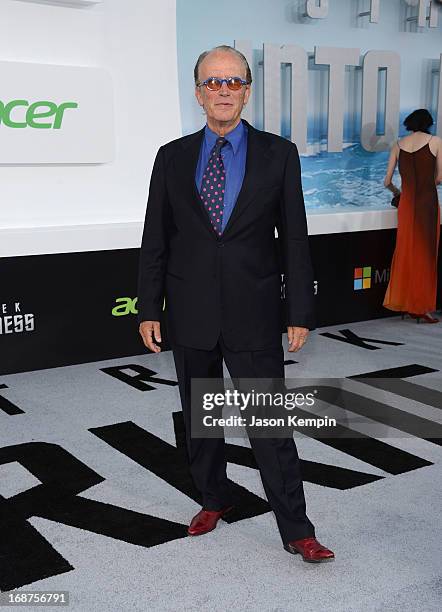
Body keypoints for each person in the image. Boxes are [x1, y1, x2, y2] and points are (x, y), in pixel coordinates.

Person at [137, 45, 334, 563]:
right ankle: (213, 498)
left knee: (269, 427)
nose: (223, 90)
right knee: (202, 419)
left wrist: (299, 312)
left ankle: (297, 528)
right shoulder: (172, 156)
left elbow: (294, 238)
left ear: (247, 89)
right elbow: (155, 236)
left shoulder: (279, 153)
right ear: (198, 92)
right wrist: (148, 306)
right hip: (190, 309)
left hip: (254, 309)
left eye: (233, 81)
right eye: (212, 82)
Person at [383, 109, 442, 323]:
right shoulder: (436, 141)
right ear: (429, 123)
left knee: (406, 250)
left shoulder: (398, 145)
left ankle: (406, 303)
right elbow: (440, 177)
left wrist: (399, 194)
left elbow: (387, 181)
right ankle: (421, 306)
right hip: (427, 203)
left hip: (406, 204)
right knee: (426, 253)